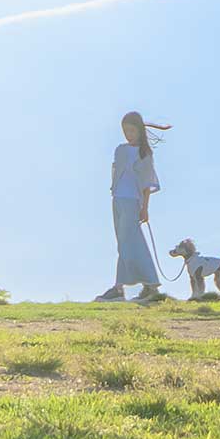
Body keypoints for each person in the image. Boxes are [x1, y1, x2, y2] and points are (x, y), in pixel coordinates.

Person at [94, 110, 170, 303]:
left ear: (139, 131)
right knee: (125, 243)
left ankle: (122, 288)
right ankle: (148, 285)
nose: (128, 134)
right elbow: (116, 172)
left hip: (132, 201)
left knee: (128, 244)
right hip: (117, 200)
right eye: (125, 131)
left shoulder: (144, 154)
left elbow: (146, 184)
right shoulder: (120, 150)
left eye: (132, 131)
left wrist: (145, 208)